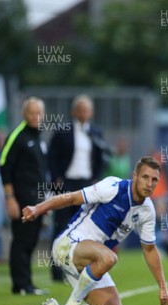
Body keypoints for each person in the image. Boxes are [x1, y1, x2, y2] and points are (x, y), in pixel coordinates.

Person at [21, 156, 168, 305]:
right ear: (135, 176)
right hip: (68, 245)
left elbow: (149, 249)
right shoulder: (113, 187)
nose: (149, 183)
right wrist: (38, 208)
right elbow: (71, 198)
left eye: (154, 179)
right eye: (145, 177)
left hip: (92, 262)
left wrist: (163, 287)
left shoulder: (147, 211)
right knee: (109, 257)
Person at [48, 94, 109, 282]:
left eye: (87, 110)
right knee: (62, 226)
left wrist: (95, 179)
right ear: (74, 112)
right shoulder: (63, 131)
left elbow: (102, 157)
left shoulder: (95, 132)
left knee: (84, 227)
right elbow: (52, 156)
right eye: (80, 110)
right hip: (67, 183)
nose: (84, 113)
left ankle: (79, 268)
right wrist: (56, 179)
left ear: (91, 112)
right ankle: (57, 271)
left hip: (86, 185)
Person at [0, 97, 48, 295]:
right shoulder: (17, 136)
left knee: (31, 240)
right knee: (21, 240)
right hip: (20, 198)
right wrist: (10, 198)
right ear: (24, 114)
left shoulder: (38, 138)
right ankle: (20, 284)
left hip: (37, 199)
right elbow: (4, 166)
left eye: (39, 113)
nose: (35, 117)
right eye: (31, 113)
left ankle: (27, 282)